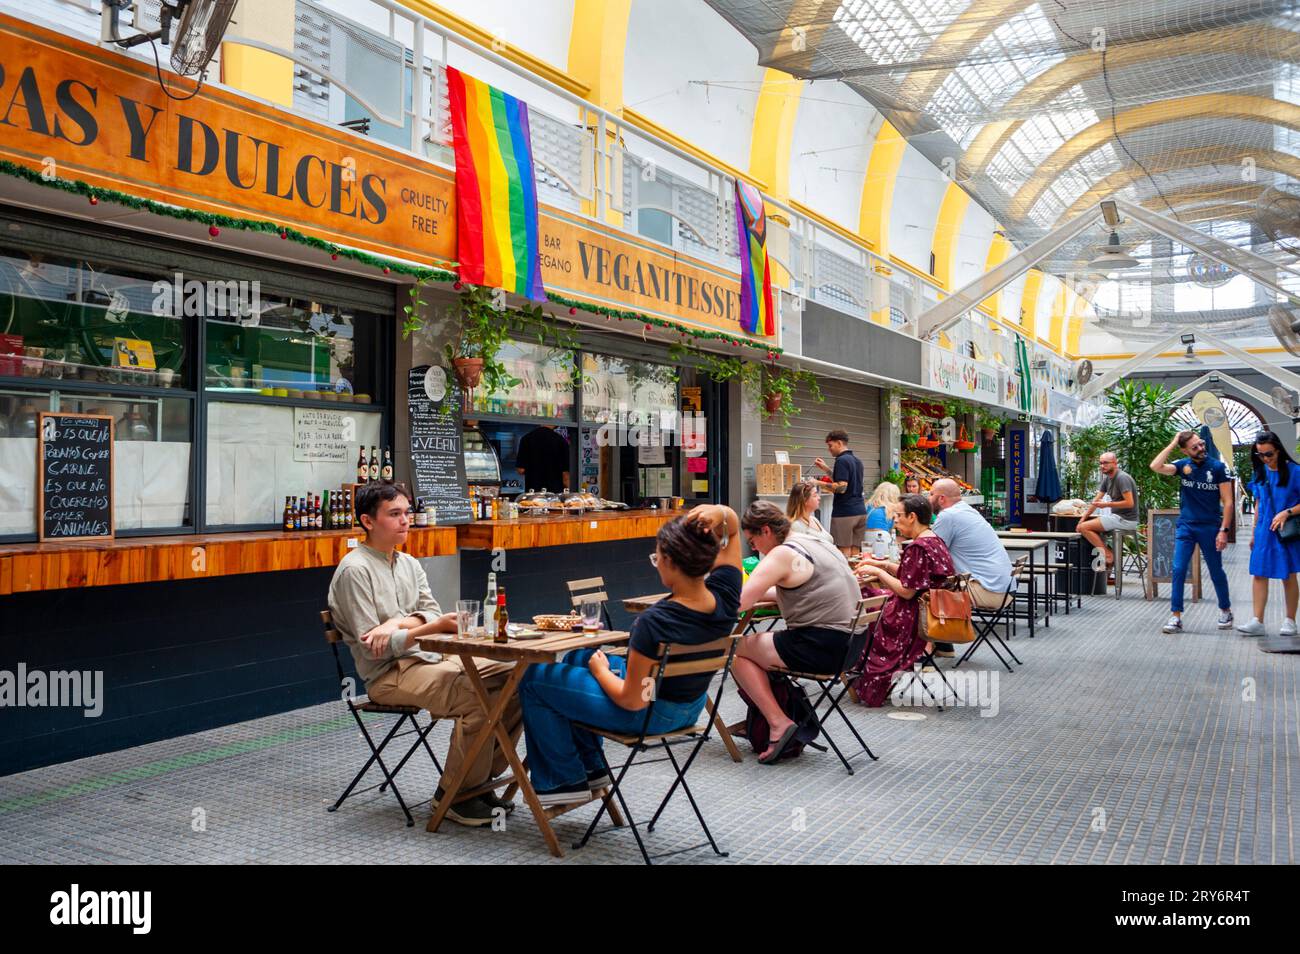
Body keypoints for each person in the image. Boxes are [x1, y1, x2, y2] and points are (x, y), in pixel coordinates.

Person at [517, 505, 742, 805]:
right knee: (576, 658)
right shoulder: (726, 594)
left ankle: (563, 781)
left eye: (657, 558)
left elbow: (633, 700)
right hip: (692, 704)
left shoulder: (654, 622)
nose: (657, 563)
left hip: (651, 712)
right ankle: (592, 767)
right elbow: (733, 529)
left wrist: (601, 673)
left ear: (671, 562)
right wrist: (720, 513)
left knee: (534, 678)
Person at [327, 481, 522, 827]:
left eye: (406, 513)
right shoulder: (355, 570)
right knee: (476, 697)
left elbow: (434, 611)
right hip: (389, 674)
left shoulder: (408, 563)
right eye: (394, 514)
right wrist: (422, 629)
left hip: (431, 658)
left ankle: (477, 785)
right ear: (368, 521)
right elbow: (377, 646)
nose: (405, 521)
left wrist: (401, 622)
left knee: (517, 680)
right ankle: (454, 796)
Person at [734, 500, 863, 763]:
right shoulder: (816, 542)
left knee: (735, 650)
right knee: (754, 649)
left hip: (823, 646)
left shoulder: (783, 553)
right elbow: (802, 588)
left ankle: (778, 721)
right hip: (853, 645)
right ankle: (775, 715)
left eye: (753, 541)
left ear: (766, 530)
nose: (753, 548)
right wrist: (759, 594)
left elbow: (738, 604)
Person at [851, 494, 955, 707]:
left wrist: (877, 573)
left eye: (898, 515)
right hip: (931, 608)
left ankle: (851, 664)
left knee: (861, 598)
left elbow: (907, 591)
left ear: (912, 517)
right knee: (869, 596)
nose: (894, 520)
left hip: (911, 614)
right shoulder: (933, 540)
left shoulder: (917, 547)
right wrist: (885, 566)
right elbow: (916, 576)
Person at [1150, 430, 1234, 634]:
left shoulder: (1217, 467)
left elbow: (1228, 502)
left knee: (1215, 570)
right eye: (1195, 446)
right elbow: (1155, 466)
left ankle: (1225, 609)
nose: (1201, 448)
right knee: (1178, 569)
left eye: (1202, 444)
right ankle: (1176, 616)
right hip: (1186, 526)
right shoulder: (1182, 465)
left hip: (1210, 526)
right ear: (1185, 450)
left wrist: (1224, 530)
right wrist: (1172, 443)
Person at [1238, 430, 1300, 636]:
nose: (1265, 458)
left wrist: (1287, 512)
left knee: (1288, 574)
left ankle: (1290, 620)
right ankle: (1258, 620)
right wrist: (1255, 533)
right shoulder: (1261, 472)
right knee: (1259, 573)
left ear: (1279, 451)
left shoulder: (1295, 472)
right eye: (1260, 455)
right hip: (1265, 529)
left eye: (1269, 454)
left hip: (1286, 530)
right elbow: (1259, 503)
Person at [929, 478, 1014, 609]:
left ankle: (934, 629)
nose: (927, 499)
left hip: (989, 589)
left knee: (921, 592)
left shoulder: (948, 515)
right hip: (1005, 587)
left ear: (941, 498)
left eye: (931, 494)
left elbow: (930, 554)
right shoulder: (967, 510)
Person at [1076, 452, 1139, 571]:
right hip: (1116, 517)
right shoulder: (1107, 480)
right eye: (1100, 463)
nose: (1102, 466)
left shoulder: (1122, 478)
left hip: (1126, 520)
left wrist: (1106, 505)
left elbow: (1130, 503)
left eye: (1105, 463)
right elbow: (1096, 501)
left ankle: (1108, 555)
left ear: (1115, 463)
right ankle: (1106, 573)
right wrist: (1083, 518)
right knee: (1083, 525)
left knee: (1084, 528)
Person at [814, 429, 867, 556]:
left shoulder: (841, 460)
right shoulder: (856, 460)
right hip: (860, 511)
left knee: (843, 552)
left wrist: (817, 483)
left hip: (845, 513)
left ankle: (845, 576)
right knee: (855, 552)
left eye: (830, 445)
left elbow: (842, 488)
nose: (829, 449)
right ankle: (856, 575)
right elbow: (845, 481)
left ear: (839, 443)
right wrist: (826, 469)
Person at [515, 424, 570, 493]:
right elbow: (565, 476)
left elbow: (520, 470)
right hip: (555, 495)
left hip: (533, 493)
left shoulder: (526, 438)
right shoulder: (561, 441)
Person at [785, 479, 835, 547]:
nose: (819, 498)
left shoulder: (814, 519)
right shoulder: (796, 526)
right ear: (804, 500)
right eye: (815, 495)